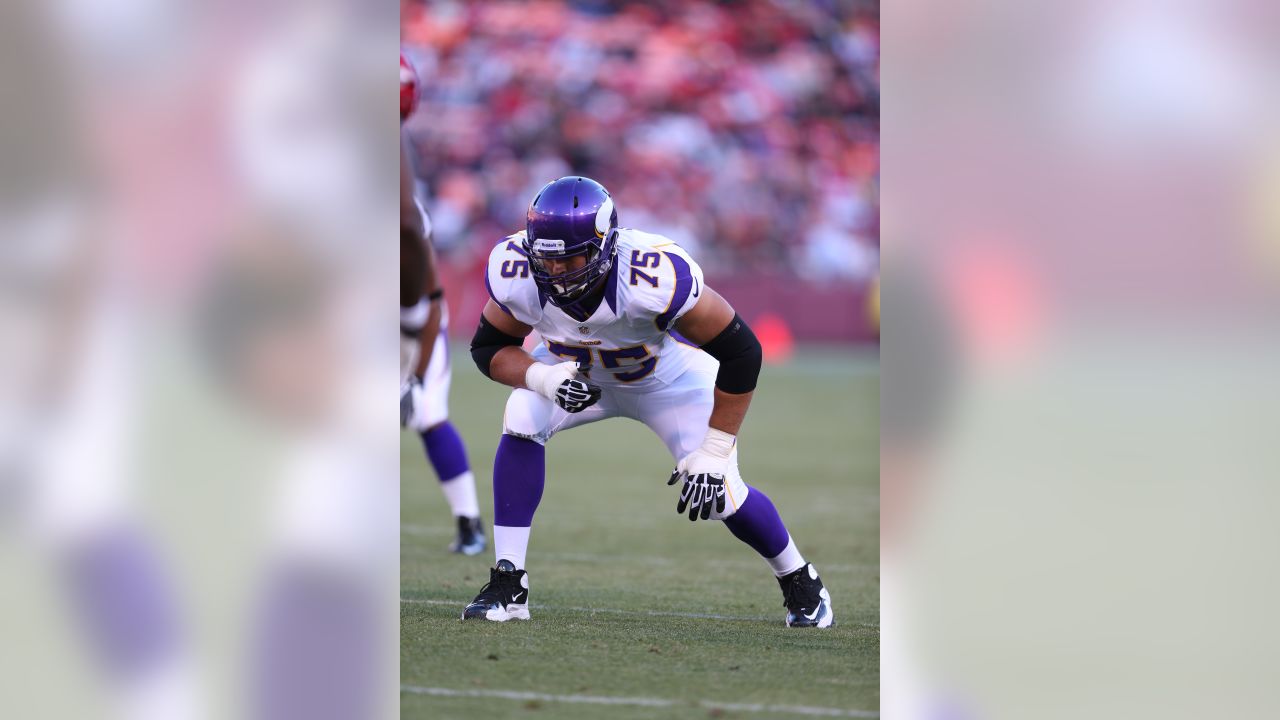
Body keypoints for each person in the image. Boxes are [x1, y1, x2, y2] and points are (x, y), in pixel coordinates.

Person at [464, 176, 833, 627]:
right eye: (547, 259)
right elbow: (488, 349)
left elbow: (743, 351)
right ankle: (509, 582)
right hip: (573, 377)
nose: (556, 273)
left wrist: (716, 450)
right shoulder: (518, 269)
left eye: (570, 259)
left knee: (720, 494)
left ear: (603, 247)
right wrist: (540, 377)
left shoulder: (653, 273)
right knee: (522, 413)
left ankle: (799, 578)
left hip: (665, 380)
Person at [400, 52, 485, 554]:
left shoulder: (408, 224)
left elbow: (431, 299)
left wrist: (412, 372)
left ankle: (469, 523)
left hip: (411, 322)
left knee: (427, 412)